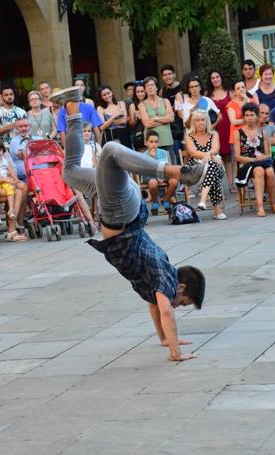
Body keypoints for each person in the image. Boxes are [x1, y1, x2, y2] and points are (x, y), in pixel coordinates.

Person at [54, 86, 207, 362]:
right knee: (111, 151)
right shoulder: (166, 279)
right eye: (182, 303)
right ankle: (176, 171)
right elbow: (164, 311)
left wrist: (164, 339)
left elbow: (154, 307)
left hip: (121, 207)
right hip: (120, 214)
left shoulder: (156, 278)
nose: (176, 306)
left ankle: (72, 107)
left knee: (70, 172)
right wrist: (176, 353)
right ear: (181, 288)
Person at [234, 102, 275, 217]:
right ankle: (260, 207)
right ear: (244, 117)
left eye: (252, 115)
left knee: (270, 171)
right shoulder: (238, 133)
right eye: (247, 115)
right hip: (246, 163)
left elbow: (267, 154)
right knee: (259, 170)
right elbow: (237, 156)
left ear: (257, 116)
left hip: (261, 161)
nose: (249, 118)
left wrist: (262, 157)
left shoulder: (262, 132)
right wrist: (252, 160)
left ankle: (273, 203)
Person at [185, 111, 226, 220]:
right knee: (212, 169)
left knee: (211, 167)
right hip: (196, 170)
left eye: (203, 120)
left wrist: (208, 156)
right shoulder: (189, 136)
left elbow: (216, 148)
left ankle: (203, 200)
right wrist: (210, 155)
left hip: (215, 168)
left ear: (207, 121)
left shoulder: (214, 134)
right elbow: (193, 152)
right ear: (193, 122)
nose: (200, 123)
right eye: (197, 120)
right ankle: (216, 210)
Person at [226, 81, 258, 192]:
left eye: (243, 87)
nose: (241, 90)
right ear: (234, 91)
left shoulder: (250, 101)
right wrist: (248, 119)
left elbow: (256, 114)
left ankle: (252, 181)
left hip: (251, 133)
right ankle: (239, 182)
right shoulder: (231, 104)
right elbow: (234, 121)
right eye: (238, 88)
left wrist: (247, 101)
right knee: (237, 160)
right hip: (237, 135)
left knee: (253, 156)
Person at [139, 77, 175, 163]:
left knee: (171, 166)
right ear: (145, 89)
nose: (150, 87)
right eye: (147, 86)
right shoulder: (142, 105)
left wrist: (156, 119)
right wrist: (164, 120)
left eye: (152, 85)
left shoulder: (165, 101)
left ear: (156, 87)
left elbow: (171, 118)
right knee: (154, 168)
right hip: (152, 142)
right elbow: (147, 124)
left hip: (167, 139)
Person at [143, 131, 179, 215]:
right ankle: (155, 201)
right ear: (146, 142)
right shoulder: (144, 155)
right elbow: (147, 170)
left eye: (156, 142)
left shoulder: (163, 152)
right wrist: (152, 157)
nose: (154, 144)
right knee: (152, 183)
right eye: (151, 142)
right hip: (150, 175)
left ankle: (166, 199)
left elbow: (165, 166)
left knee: (174, 181)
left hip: (163, 173)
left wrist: (162, 176)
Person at [207, 70, 233, 179]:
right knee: (215, 157)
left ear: (221, 78)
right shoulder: (207, 95)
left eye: (217, 76)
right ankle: (218, 187)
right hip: (213, 128)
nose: (215, 79)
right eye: (212, 78)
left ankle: (231, 184)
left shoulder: (230, 92)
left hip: (228, 127)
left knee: (228, 157)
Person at [158, 65, 184, 158]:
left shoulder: (183, 87)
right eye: (165, 75)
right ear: (162, 77)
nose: (167, 76)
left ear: (174, 75)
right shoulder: (162, 91)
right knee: (177, 155)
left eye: (169, 74)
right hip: (172, 127)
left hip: (184, 124)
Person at [128, 82, 147, 151]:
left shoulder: (150, 102)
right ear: (135, 93)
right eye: (137, 92)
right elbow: (131, 124)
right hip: (140, 135)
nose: (140, 94)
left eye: (142, 91)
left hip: (153, 132)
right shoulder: (132, 106)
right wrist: (136, 118)